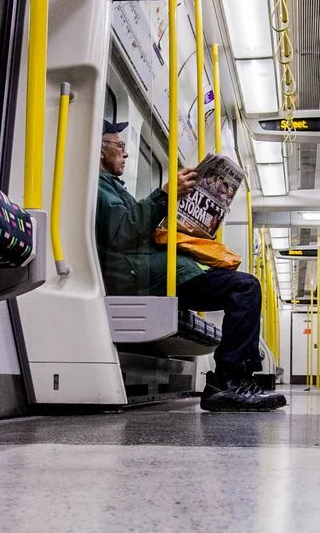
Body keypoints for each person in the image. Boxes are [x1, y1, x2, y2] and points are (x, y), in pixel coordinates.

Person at [96, 119, 284, 412]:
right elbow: (123, 233)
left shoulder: (114, 188)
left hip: (160, 270)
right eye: (120, 146)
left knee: (243, 285)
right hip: (145, 275)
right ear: (100, 150)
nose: (126, 153)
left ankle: (236, 379)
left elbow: (136, 228)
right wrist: (165, 195)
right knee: (245, 287)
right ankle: (227, 382)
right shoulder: (98, 188)